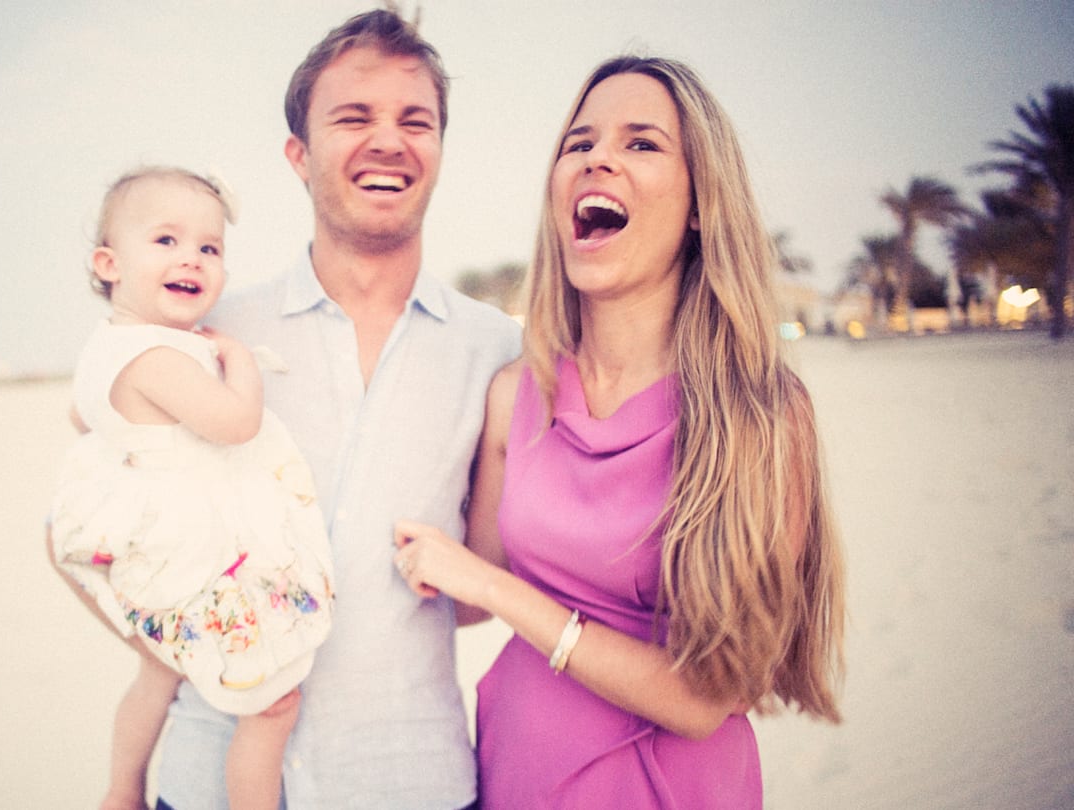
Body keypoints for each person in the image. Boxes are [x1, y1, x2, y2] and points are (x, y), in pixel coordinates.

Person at [393, 56, 846, 808]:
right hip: (513, 774)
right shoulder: (517, 393)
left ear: (701, 204)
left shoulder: (759, 412)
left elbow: (708, 697)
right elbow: (463, 593)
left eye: (642, 143)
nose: (597, 156)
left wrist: (501, 592)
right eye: (579, 143)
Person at [149, 8, 522, 810]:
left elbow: (484, 586)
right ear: (299, 154)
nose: (388, 139)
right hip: (209, 772)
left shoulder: (497, 352)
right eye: (353, 117)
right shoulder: (209, 336)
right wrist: (194, 642)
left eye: (413, 121)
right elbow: (86, 534)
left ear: (439, 152)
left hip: (407, 773)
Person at [47, 166, 336, 810]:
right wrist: (238, 361)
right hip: (196, 556)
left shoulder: (107, 348)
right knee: (272, 705)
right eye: (167, 241)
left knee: (159, 670)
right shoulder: (158, 357)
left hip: (160, 555)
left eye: (210, 248)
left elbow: (83, 420)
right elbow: (236, 424)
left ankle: (122, 790)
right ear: (108, 263)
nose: (192, 258)